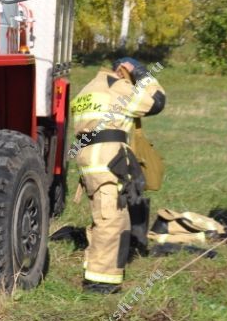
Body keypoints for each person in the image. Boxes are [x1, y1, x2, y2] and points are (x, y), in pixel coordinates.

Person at [71, 57, 166, 293]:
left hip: (89, 159)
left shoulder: (87, 89)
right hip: (108, 159)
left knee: (103, 216)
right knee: (112, 219)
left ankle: (95, 267)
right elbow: (157, 101)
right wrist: (143, 73)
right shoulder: (118, 87)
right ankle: (100, 282)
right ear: (123, 71)